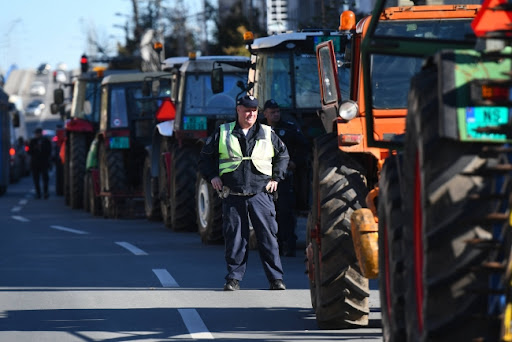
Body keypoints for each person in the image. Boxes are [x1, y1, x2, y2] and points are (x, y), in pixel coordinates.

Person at [199, 95, 290, 291]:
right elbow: (204, 158)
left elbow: (283, 155)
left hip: (261, 194)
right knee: (235, 239)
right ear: (238, 110)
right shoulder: (223, 132)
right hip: (233, 194)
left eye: (254, 111)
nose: (251, 114)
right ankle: (233, 279)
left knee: (268, 238)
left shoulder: (267, 132)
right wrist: (213, 176)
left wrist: (276, 178)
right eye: (247, 110)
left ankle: (276, 279)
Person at [261, 99, 309, 257]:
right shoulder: (258, 130)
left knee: (285, 212)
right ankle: (271, 245)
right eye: (272, 112)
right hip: (261, 178)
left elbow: (304, 148)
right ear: (265, 113)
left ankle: (288, 244)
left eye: (277, 112)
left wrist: (295, 162)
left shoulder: (288, 129)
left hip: (282, 178)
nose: (275, 115)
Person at [28, 128, 52, 199]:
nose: (37, 135)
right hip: (35, 163)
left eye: (38, 133)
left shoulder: (46, 141)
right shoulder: (33, 141)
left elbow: (49, 151)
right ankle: (38, 193)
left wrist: (42, 148)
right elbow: (29, 151)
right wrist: (35, 148)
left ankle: (45, 192)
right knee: (36, 179)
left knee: (45, 178)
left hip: (44, 162)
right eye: (36, 133)